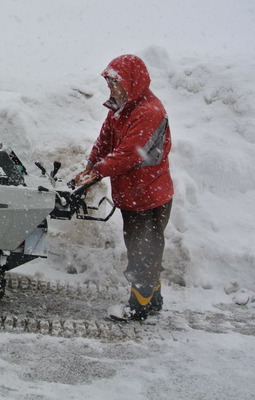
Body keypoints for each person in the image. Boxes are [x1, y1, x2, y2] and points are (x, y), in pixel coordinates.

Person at [75, 54, 173, 321]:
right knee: (144, 246)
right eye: (109, 83)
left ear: (132, 81)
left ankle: (139, 305)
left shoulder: (148, 111)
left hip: (149, 194)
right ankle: (153, 299)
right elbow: (106, 138)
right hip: (135, 191)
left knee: (143, 248)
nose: (111, 88)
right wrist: (91, 163)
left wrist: (98, 170)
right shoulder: (122, 107)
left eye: (115, 82)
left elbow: (130, 153)